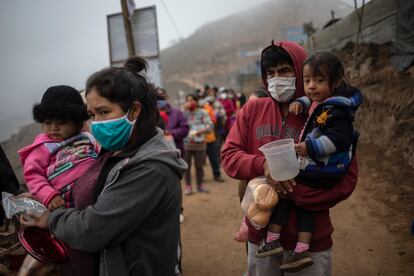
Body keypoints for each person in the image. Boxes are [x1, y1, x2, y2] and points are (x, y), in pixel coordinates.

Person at [20, 56, 187, 276]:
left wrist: (50, 220)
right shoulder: (114, 149)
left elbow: (95, 229)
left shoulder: (150, 168)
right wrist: (44, 194)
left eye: (104, 112)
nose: (97, 123)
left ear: (134, 111)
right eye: (92, 115)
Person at [221, 41, 358, 276]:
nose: (277, 78)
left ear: (301, 71)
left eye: (285, 71)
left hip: (311, 241)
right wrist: (262, 165)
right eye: (270, 73)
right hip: (262, 236)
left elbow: (347, 179)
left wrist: (295, 192)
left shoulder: (327, 114)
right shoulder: (252, 110)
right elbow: (229, 156)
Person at [257, 51, 363, 272]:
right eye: (307, 81)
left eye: (319, 80)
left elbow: (339, 140)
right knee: (301, 204)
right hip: (319, 167)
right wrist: (301, 102)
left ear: (334, 83)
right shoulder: (323, 102)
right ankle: (299, 248)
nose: (312, 86)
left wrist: (309, 147)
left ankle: (273, 239)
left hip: (324, 168)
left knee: (286, 190)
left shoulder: (338, 111)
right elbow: (314, 101)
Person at [18, 85, 99, 210]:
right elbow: (33, 175)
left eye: (61, 123)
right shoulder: (43, 146)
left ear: (78, 122)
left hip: (94, 197)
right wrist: (49, 195)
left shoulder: (87, 137)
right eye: (48, 122)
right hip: (62, 203)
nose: (54, 128)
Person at [183, 94, 213, 194]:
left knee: (199, 166)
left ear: (196, 101)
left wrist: (201, 131)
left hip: (200, 144)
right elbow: (179, 124)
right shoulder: (184, 113)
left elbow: (210, 126)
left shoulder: (203, 112)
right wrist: (183, 110)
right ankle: (188, 186)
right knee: (186, 166)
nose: (190, 102)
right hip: (187, 144)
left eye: (192, 100)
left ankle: (200, 185)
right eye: (188, 100)